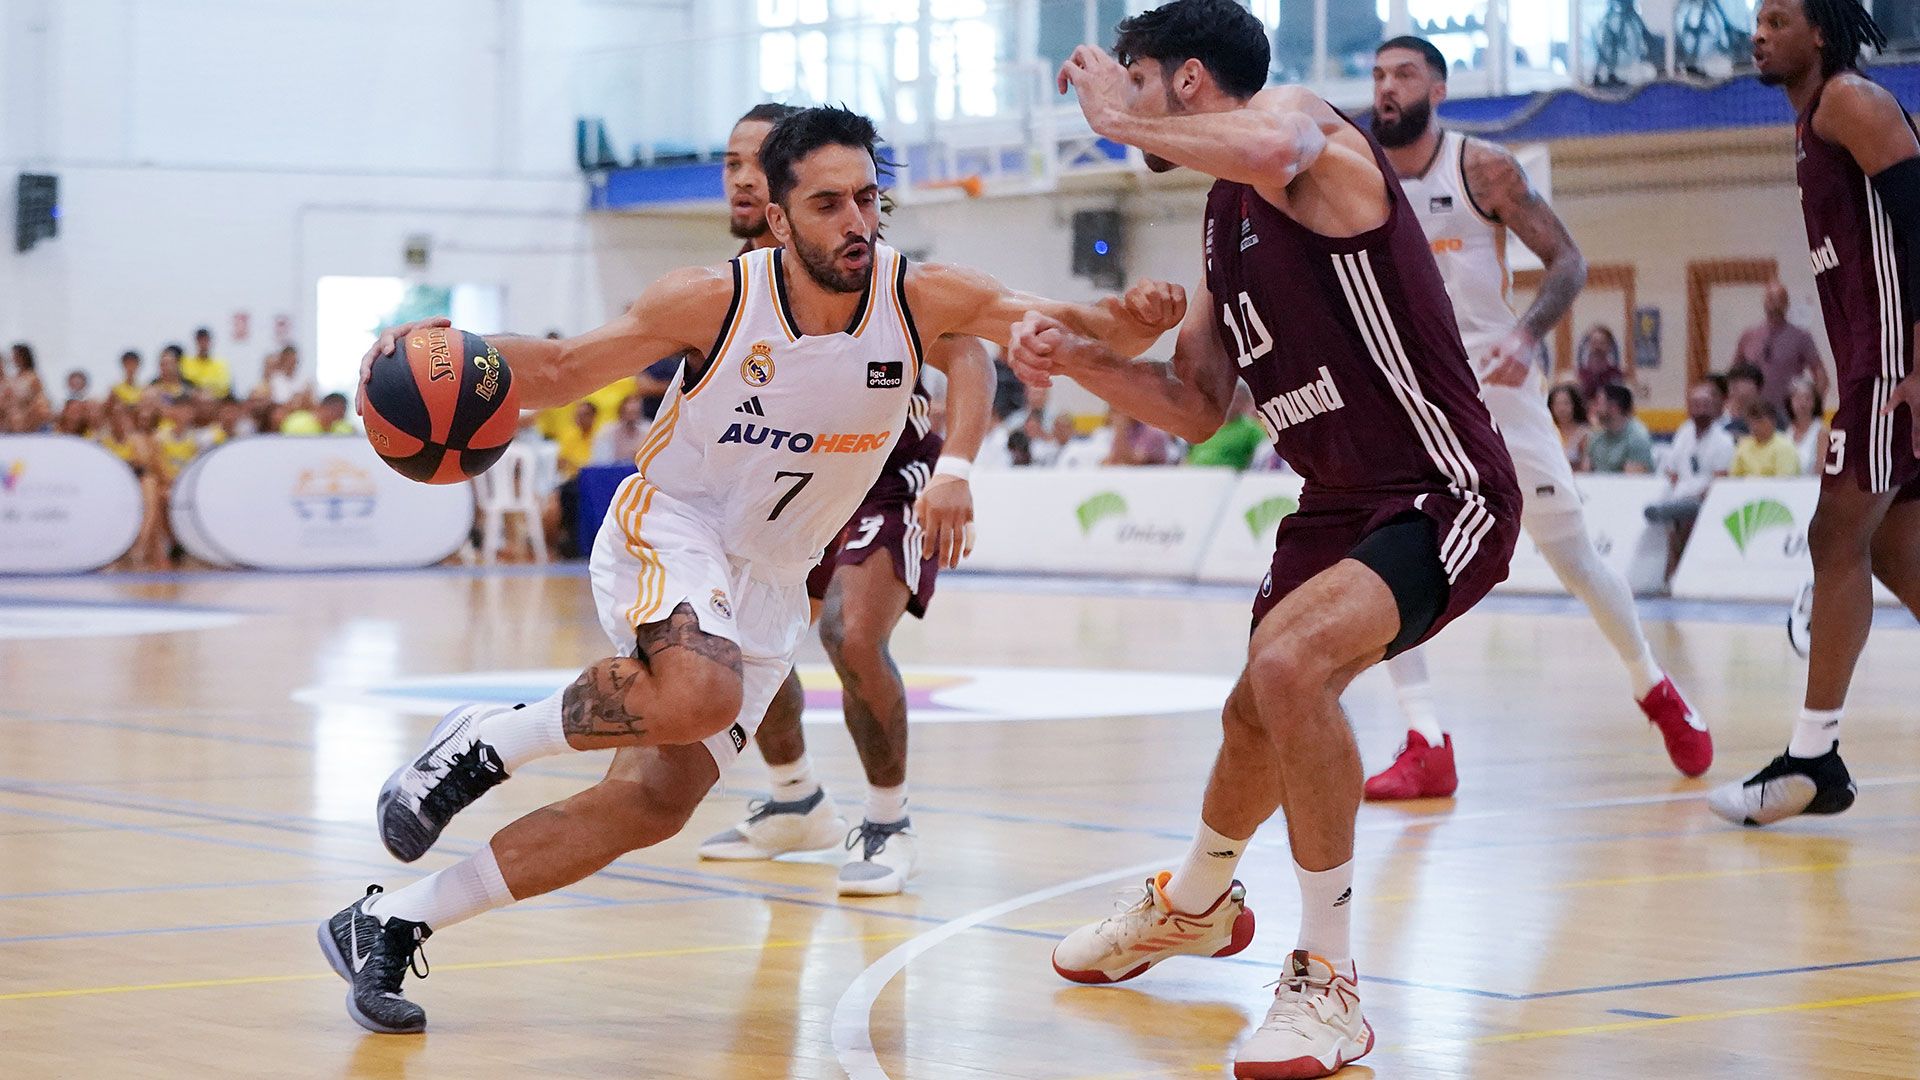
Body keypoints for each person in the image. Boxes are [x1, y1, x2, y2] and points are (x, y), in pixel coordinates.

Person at [317, 105, 1177, 1034]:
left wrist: (1129, 319)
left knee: (649, 806)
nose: (856, 222)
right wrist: (433, 357)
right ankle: (486, 739)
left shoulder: (923, 296)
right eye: (827, 203)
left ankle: (391, 921)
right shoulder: (712, 299)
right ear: (778, 219)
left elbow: (1087, 332)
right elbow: (563, 368)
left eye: (867, 199)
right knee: (698, 694)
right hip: (675, 523)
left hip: (774, 577)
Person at [1012, 6, 1520, 1073]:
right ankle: (1195, 904)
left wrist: (1117, 120)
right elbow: (1199, 406)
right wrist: (1078, 360)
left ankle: (1329, 981)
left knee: (1292, 668)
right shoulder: (1217, 221)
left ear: (1188, 80)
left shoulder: (1308, 133)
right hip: (1331, 501)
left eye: (1135, 82)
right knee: (1253, 714)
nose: (1121, 105)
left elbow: (1270, 143)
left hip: (1439, 485)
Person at [1365, 34, 1706, 800]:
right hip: (1410, 394)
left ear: (1438, 90)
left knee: (1573, 557)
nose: (1386, 87)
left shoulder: (1483, 166)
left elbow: (1570, 262)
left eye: (1404, 74)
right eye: (1379, 74)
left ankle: (1654, 687)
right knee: (1375, 557)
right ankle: (1425, 738)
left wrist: (1525, 335)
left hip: (1497, 383)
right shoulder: (1361, 174)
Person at [690, 105, 996, 897]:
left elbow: (970, 357)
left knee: (850, 636)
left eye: (757, 161)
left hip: (883, 479)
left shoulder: (870, 266)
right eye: (731, 163)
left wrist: (958, 467)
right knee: (746, 642)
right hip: (781, 483)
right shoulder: (733, 285)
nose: (743, 178)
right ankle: (795, 800)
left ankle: (889, 822)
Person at [1711, 0, 1920, 826]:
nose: (1758, 32)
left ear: (1821, 32)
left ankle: (1812, 759)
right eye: (1756, 19)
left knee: (1836, 539)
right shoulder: (1811, 123)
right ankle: (1814, 758)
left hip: (1893, 372)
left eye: (1777, 18)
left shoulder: (1848, 102)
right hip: (1874, 372)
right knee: (1898, 552)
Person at [1646, 381, 1738, 579]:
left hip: (1703, 500)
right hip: (1678, 496)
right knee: (1659, 512)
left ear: (1716, 407)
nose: (1700, 410)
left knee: (1683, 515)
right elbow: (1672, 472)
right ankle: (1664, 575)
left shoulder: (1723, 441)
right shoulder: (1683, 433)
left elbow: (1720, 481)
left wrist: (1695, 498)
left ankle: (1680, 573)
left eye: (1705, 405)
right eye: (1696, 404)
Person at [1734, 280, 1830, 414]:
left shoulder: (1801, 337)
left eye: (1779, 299)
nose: (1774, 303)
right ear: (1764, 301)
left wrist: (1812, 409)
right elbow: (1735, 374)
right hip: (1753, 415)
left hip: (1786, 415)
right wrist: (1734, 404)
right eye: (1770, 298)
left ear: (1787, 303)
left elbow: (1821, 377)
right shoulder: (1749, 336)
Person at [1186, 381, 1266, 468]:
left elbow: (1265, 454)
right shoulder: (1204, 426)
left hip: (1226, 478)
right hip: (1194, 475)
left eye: (1236, 399)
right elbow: (1189, 454)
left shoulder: (1251, 430)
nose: (1230, 403)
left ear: (1245, 403)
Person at [1586, 383, 1657, 473]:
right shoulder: (1596, 436)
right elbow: (1585, 473)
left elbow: (1632, 482)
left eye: (1598, 403)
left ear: (1614, 407)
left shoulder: (1637, 438)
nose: (1594, 408)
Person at [1732, 401, 1804, 476]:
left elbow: (1784, 481)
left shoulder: (1785, 447)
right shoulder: (1743, 446)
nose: (1755, 427)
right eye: (1752, 422)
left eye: (1760, 422)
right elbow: (1734, 478)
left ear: (1773, 422)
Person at [590, 393, 650, 465]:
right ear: (621, 412)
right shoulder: (606, 432)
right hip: (614, 471)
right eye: (629, 413)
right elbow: (600, 462)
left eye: (635, 413)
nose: (631, 417)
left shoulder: (648, 429)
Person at [1787, 374, 1830, 474]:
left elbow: (1821, 469)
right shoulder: (1786, 430)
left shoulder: (1821, 432)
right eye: (1797, 398)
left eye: (1807, 398)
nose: (1802, 403)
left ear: (1815, 402)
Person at [1575, 324, 1625, 400]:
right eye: (1594, 342)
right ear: (1588, 345)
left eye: (1602, 343)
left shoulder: (1616, 376)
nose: (1597, 347)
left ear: (1609, 346)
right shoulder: (1579, 376)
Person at [1548, 382, 1591, 470]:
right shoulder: (1547, 432)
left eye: (1566, 404)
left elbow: (1586, 465)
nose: (1562, 409)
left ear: (1574, 405)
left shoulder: (1583, 433)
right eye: (1557, 404)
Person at [181, 327, 233, 400]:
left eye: (205, 340)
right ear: (196, 342)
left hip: (215, 401)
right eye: (200, 340)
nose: (203, 344)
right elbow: (182, 384)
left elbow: (224, 386)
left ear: (210, 342)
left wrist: (207, 392)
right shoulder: (185, 362)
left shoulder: (220, 364)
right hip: (192, 401)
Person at [1722, 361, 1767, 436]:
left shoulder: (1768, 416)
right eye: (1731, 381)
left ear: (1756, 387)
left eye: (1742, 380)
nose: (1734, 385)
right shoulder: (1718, 414)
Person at [281, 392, 353, 435]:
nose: (338, 416)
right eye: (335, 410)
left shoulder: (344, 429)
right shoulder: (296, 423)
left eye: (341, 413)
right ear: (323, 407)